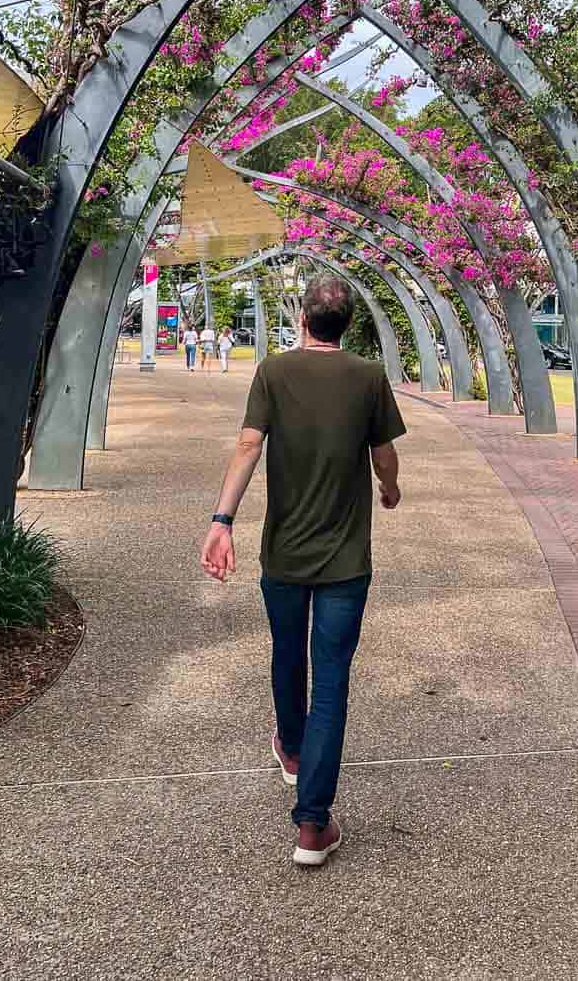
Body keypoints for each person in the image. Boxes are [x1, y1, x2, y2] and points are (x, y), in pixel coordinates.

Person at [200, 273, 405, 868]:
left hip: (283, 553)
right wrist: (389, 488)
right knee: (332, 679)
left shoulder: (273, 371)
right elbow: (383, 452)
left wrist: (222, 520)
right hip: (345, 560)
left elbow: (247, 448)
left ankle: (290, 748)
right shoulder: (368, 376)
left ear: (303, 320)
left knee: (287, 652)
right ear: (348, 325)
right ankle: (312, 824)